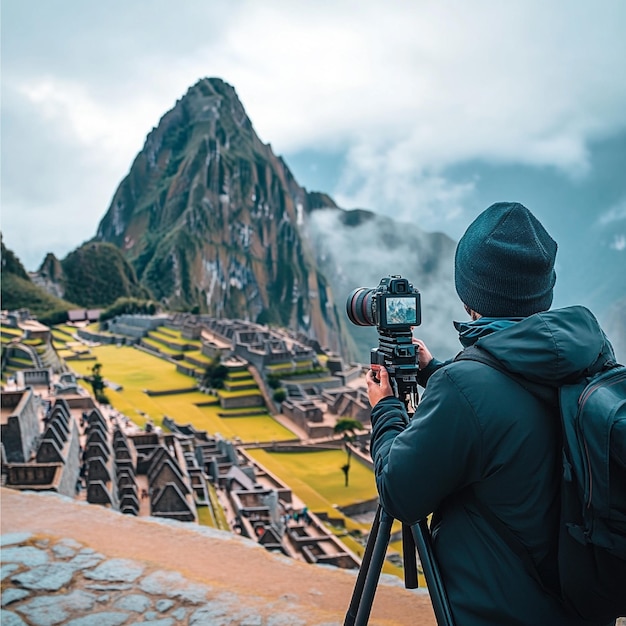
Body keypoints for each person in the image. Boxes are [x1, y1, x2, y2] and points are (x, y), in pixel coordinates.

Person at [366, 202, 617, 626]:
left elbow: (399, 493)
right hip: (583, 606)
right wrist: (436, 372)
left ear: (470, 295)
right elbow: (519, 406)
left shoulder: (466, 388)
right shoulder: (588, 356)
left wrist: (386, 408)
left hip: (503, 614)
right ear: (544, 290)